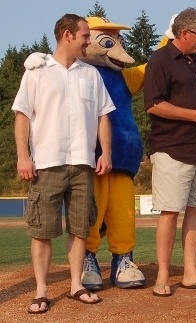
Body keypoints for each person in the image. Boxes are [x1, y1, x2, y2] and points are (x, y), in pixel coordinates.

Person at [12, 13, 115, 313]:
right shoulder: (37, 71)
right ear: (68, 35)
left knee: (80, 228)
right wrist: (22, 156)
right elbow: (22, 116)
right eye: (85, 35)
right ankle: (41, 291)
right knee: (42, 230)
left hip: (83, 162)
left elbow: (102, 116)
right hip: (46, 162)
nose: (88, 41)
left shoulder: (91, 74)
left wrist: (105, 152)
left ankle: (75, 285)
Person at [144, 8, 196, 297]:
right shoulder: (160, 59)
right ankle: (163, 275)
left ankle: (190, 272)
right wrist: (194, 116)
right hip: (171, 149)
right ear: (185, 33)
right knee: (169, 212)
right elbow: (153, 104)